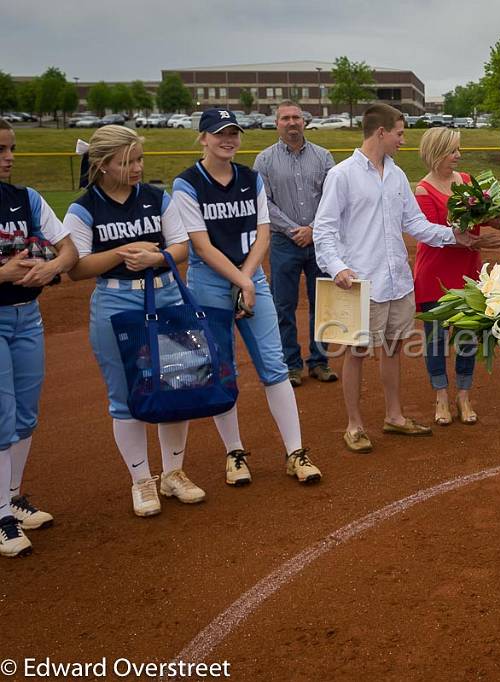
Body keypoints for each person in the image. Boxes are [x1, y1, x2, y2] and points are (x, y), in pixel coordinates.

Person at [313, 103, 476, 453]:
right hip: (360, 280)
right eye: (400, 133)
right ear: (381, 132)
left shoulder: (397, 175)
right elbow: (323, 231)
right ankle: (354, 425)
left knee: (392, 348)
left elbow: (414, 224)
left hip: (397, 281)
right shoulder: (342, 175)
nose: (404, 140)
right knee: (356, 352)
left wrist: (453, 236)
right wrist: (336, 267)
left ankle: (394, 416)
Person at [173, 109, 321, 487]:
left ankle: (295, 452)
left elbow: (263, 234)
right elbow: (202, 247)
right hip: (210, 282)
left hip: (250, 275)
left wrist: (248, 279)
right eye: (220, 133)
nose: (228, 139)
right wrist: (243, 280)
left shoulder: (250, 177)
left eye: (233, 132)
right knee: (224, 369)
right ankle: (235, 453)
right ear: (203, 138)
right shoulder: (187, 183)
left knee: (274, 365)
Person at [65, 125, 199, 518]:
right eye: (127, 161)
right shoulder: (85, 207)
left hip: (166, 293)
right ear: (103, 165)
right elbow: (76, 267)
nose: (137, 167)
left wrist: (157, 258)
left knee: (178, 385)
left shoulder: (158, 197)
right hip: (115, 301)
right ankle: (142, 479)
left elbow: (181, 247)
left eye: (139, 159)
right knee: (126, 396)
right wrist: (124, 251)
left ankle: (173, 473)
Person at [0, 119, 77, 556]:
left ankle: (11, 496)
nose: (9, 157)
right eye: (1, 150)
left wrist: (51, 268)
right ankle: (1, 517)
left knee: (26, 414)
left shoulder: (25, 198)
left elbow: (67, 248)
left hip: (26, 316)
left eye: (11, 148)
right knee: (2, 416)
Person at [412, 127, 500, 426]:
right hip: (434, 275)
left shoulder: (467, 182)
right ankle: (440, 396)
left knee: (467, 338)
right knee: (436, 341)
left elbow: (486, 216)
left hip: (467, 274)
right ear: (437, 152)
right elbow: (431, 234)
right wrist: (475, 241)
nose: (458, 156)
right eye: (453, 150)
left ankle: (463, 396)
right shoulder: (423, 190)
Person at [254, 100, 337, 388]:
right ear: (276, 123)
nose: (291, 123)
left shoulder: (324, 157)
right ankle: (291, 364)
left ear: (305, 121)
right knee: (283, 305)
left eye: (296, 117)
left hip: (320, 242)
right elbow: (264, 203)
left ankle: (320, 361)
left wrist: (313, 229)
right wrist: (294, 230)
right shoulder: (264, 160)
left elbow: (333, 198)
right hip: (283, 242)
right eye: (285, 118)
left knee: (323, 303)